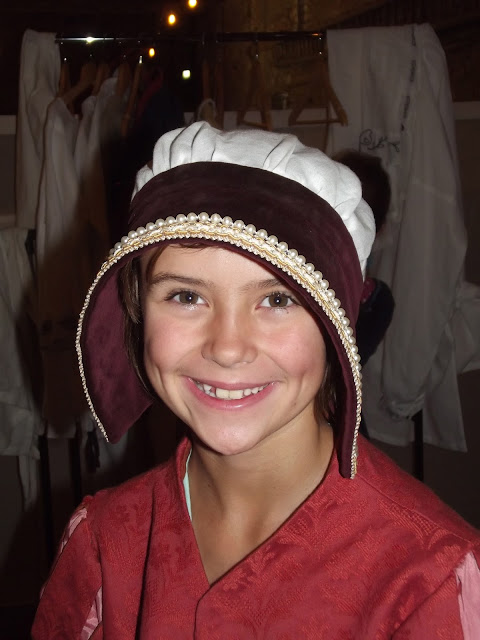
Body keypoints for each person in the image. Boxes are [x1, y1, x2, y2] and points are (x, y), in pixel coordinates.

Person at [32, 122, 480, 639]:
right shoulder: (101, 547)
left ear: (334, 328)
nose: (227, 347)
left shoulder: (428, 580)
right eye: (186, 296)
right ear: (137, 310)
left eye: (277, 299)